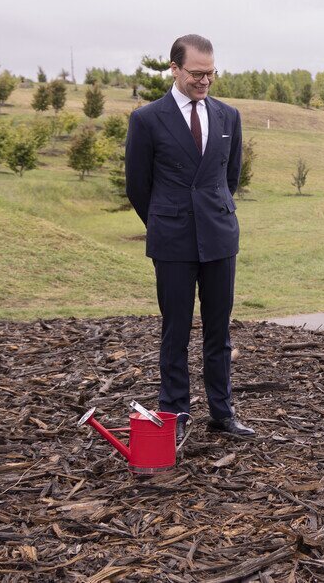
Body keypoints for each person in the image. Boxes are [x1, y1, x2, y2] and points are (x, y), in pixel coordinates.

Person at [125, 34, 254, 442]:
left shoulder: (228, 116)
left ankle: (222, 411)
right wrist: (166, 221)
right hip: (173, 241)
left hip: (219, 238)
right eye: (196, 74)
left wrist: (211, 214)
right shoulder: (147, 119)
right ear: (175, 69)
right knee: (175, 331)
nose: (205, 81)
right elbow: (138, 186)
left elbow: (227, 179)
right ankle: (175, 414)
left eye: (211, 73)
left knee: (219, 332)